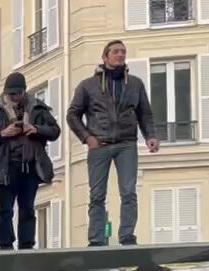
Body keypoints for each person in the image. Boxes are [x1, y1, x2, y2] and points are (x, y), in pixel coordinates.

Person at [67, 40, 158, 247]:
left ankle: (127, 236)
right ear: (105, 57)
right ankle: (97, 239)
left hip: (127, 143)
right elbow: (72, 114)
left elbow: (145, 113)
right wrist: (86, 137)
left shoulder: (135, 83)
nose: (120, 55)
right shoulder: (88, 85)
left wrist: (151, 136)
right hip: (100, 144)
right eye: (116, 52)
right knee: (97, 195)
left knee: (128, 192)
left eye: (123, 52)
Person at [0, 71, 61, 251]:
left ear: (24, 91)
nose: (14, 97)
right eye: (11, 94)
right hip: (6, 167)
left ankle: (27, 245)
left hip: (30, 166)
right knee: (5, 210)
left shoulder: (38, 107)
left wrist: (36, 129)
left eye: (17, 93)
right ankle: (5, 246)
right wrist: (2, 134)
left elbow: (55, 131)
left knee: (28, 208)